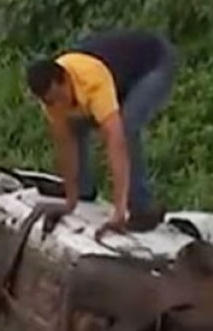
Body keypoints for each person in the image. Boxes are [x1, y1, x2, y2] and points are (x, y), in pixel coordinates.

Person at [26, 29, 176, 237]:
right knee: (73, 124)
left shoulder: (93, 82)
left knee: (127, 126)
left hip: (153, 62)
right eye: (50, 101)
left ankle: (142, 208)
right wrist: (70, 200)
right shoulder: (52, 98)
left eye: (59, 97)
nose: (57, 105)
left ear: (65, 80)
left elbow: (116, 141)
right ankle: (84, 189)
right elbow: (64, 143)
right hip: (117, 74)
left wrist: (119, 210)